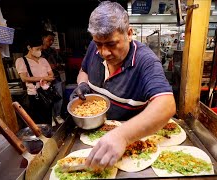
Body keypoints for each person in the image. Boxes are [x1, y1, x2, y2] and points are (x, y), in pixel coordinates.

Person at [73, 1, 176, 170]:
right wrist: (83, 83)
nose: (104, 52)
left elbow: (167, 105)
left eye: (112, 44)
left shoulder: (146, 61)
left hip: (129, 143)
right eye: (99, 44)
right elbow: (83, 71)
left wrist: (122, 136)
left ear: (129, 34)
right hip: (94, 132)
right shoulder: (95, 47)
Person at [15, 36, 55, 125]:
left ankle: (48, 136)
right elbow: (24, 78)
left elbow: (51, 75)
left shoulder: (43, 60)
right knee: (37, 121)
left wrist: (47, 83)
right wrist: (44, 78)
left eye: (40, 49)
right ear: (29, 48)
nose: (39, 51)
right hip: (34, 95)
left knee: (48, 117)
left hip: (47, 92)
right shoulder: (21, 61)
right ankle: (40, 137)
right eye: (37, 49)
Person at [41, 30, 65, 125]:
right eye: (49, 40)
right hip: (44, 80)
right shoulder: (38, 52)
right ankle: (50, 118)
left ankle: (57, 115)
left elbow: (61, 62)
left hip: (55, 77)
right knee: (47, 99)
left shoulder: (53, 51)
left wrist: (57, 65)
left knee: (59, 97)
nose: (51, 42)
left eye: (52, 40)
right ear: (43, 38)